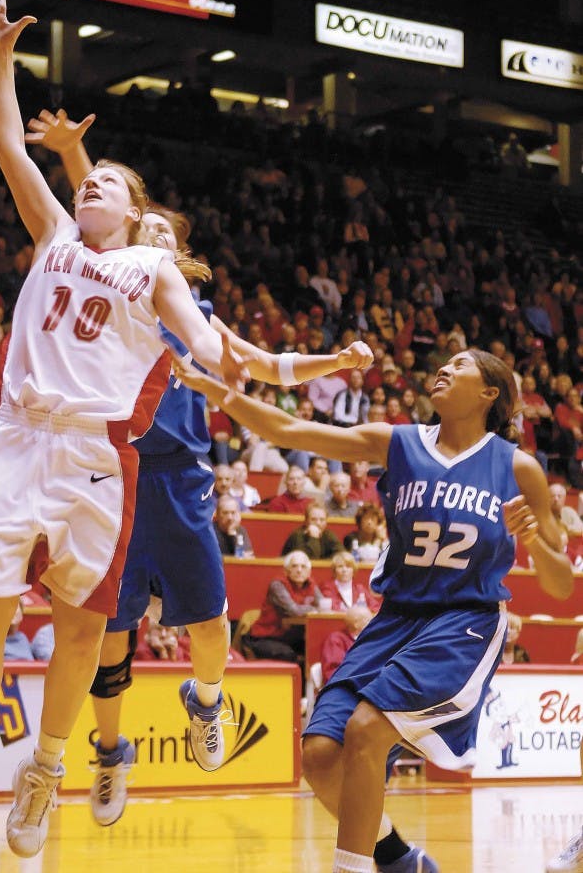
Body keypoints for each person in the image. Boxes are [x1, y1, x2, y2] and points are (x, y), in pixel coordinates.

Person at [0, 0, 252, 859]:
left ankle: (45, 772)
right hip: (16, 436)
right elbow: (6, 147)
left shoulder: (151, 267)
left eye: (108, 181)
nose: (90, 179)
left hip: (100, 456)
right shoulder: (57, 231)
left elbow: (194, 320)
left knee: (79, 625)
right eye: (88, 177)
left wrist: (218, 346)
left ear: (139, 218)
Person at [23, 106, 376, 832]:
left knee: (209, 626)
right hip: (109, 471)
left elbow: (262, 364)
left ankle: (206, 701)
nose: (146, 232)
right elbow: (96, 201)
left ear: (178, 254)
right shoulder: (106, 282)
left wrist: (334, 361)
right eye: (140, 226)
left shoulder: (194, 312)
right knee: (108, 639)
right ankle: (111, 751)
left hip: (180, 483)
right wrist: (75, 154)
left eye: (160, 231)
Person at [175, 347, 573, 873]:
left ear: (488, 394)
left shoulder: (519, 469)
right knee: (319, 755)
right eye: (444, 361)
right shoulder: (399, 441)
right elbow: (292, 432)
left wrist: (536, 544)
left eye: (461, 365)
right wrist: (216, 392)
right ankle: (398, 860)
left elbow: (562, 584)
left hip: (464, 622)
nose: (445, 368)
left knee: (367, 729)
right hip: (397, 618)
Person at [242, 551, 323, 689]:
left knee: (317, 648)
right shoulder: (278, 585)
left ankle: (309, 697)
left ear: (309, 571)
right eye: (295, 566)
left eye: (303, 567)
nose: (299, 570)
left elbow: (323, 606)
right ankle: (292, 694)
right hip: (263, 637)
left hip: (287, 636)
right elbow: (293, 610)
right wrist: (312, 608)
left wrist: (313, 608)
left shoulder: (311, 584)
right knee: (288, 654)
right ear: (286, 570)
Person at [320, 605, 374, 685]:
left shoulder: (371, 639)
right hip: (346, 688)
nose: (373, 624)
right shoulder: (336, 640)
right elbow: (333, 672)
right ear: (356, 624)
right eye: (368, 620)